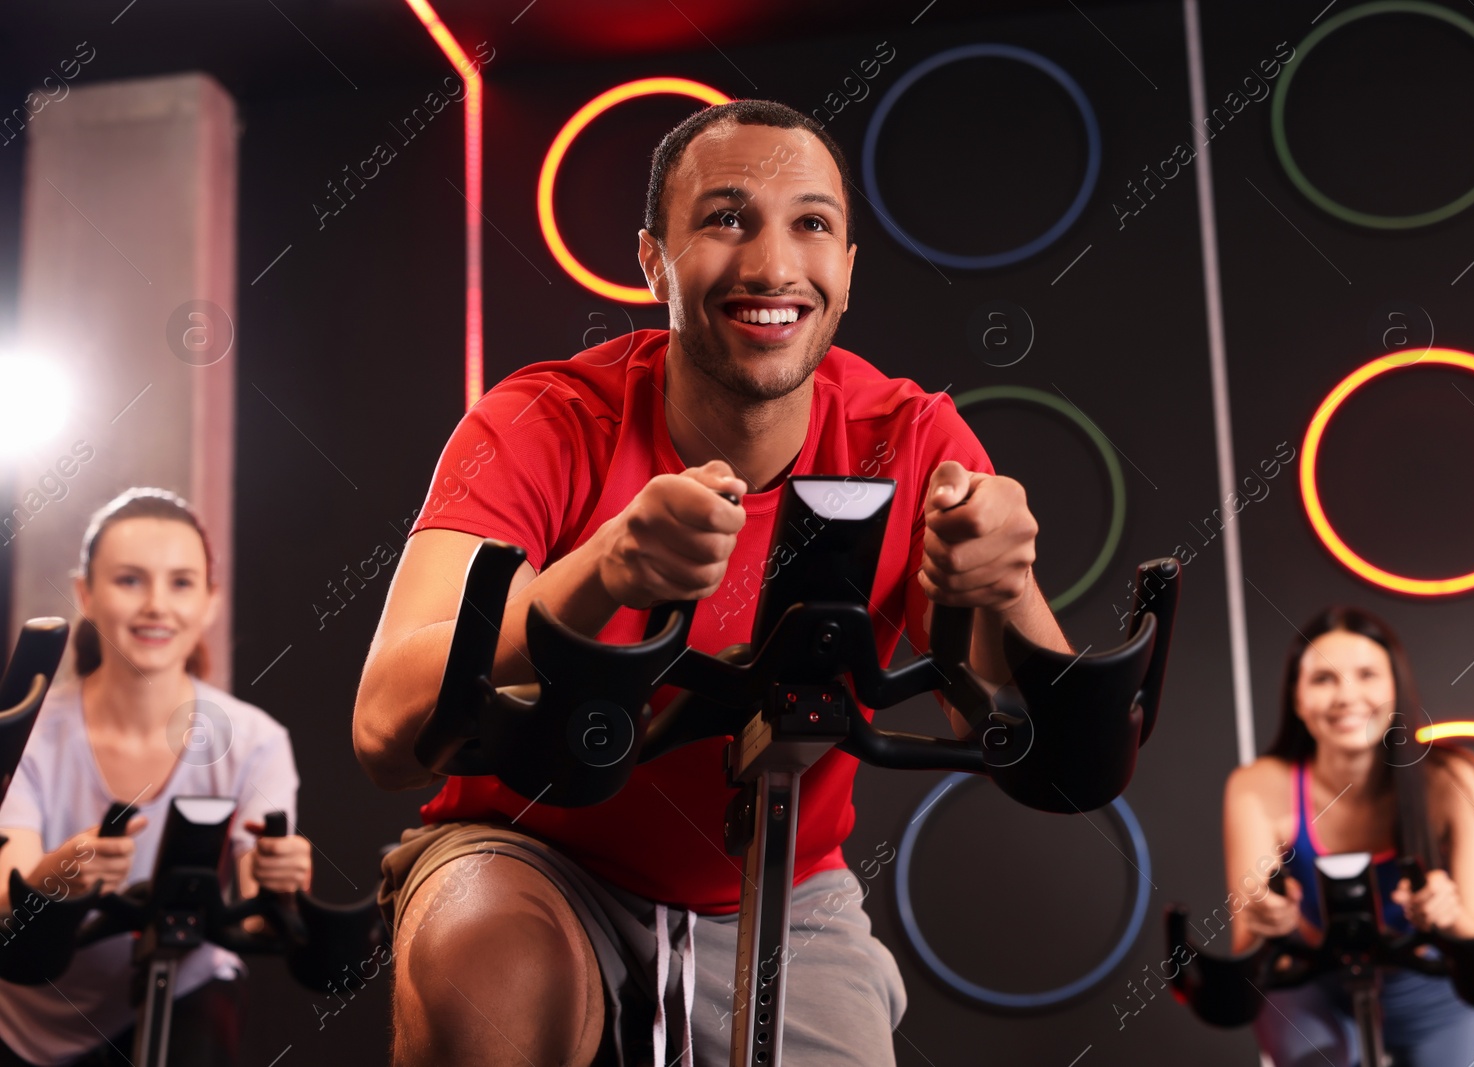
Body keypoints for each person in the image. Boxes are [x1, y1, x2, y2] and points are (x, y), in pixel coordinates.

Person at [353, 98, 1071, 1066]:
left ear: (847, 269)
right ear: (653, 258)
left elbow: (1055, 762)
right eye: (726, 218)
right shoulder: (543, 420)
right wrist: (600, 570)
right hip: (533, 855)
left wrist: (1009, 584)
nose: (772, 265)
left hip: (779, 883)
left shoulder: (911, 440)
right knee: (492, 975)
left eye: (810, 224)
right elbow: (386, 729)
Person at [0, 489, 313, 1067]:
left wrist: (279, 879)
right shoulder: (30, 735)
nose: (156, 606)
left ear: (211, 602)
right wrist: (60, 873)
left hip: (185, 988)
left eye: (181, 583)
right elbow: (4, 896)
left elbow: (253, 903)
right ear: (85, 595)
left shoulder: (256, 739)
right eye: (129, 581)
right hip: (27, 1021)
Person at [1223, 606, 1474, 1067]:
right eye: (1323, 679)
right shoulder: (1257, 787)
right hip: (1311, 987)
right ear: (1296, 699)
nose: (1347, 696)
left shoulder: (1453, 780)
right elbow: (1248, 946)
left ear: (1396, 688)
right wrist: (1269, 919)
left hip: (1433, 992)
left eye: (1367, 675)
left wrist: (1450, 913)